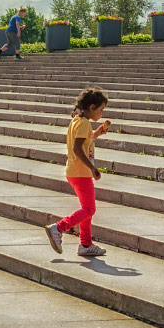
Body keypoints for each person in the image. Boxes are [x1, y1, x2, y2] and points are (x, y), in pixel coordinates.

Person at [45, 87, 111, 257]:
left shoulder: (78, 120)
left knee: (86, 209)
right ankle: (59, 228)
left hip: (74, 170)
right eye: (101, 109)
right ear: (91, 107)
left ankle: (86, 244)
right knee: (89, 209)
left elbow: (84, 142)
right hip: (81, 171)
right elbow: (78, 149)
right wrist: (92, 167)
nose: (102, 113)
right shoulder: (83, 123)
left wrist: (97, 133)